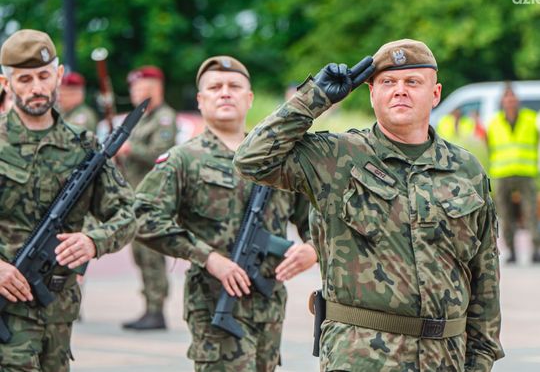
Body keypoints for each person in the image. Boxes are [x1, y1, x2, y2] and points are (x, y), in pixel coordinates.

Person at [234, 39, 504, 371]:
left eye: (413, 82)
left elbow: (485, 275)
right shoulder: (337, 157)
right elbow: (251, 160)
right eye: (388, 82)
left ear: (435, 94)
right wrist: (315, 97)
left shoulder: (465, 169)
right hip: (361, 357)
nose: (400, 90)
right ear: (372, 93)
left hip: (446, 359)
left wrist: (479, 361)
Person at [134, 55, 317, 371]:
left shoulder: (278, 159)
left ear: (249, 98)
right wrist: (207, 257)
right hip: (214, 306)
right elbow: (142, 216)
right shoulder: (183, 160)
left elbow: (313, 218)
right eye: (215, 87)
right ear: (200, 100)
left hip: (269, 307)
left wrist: (313, 249)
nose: (225, 93)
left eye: (234, 86)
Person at [0, 29, 136, 371]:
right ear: (5, 83)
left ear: (58, 75)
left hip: (58, 313)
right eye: (25, 79)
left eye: (44, 76)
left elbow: (127, 213)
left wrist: (94, 241)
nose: (36, 87)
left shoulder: (85, 147)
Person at [118, 65, 178, 330]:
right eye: (134, 89)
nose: (135, 94)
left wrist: (130, 148)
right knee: (140, 254)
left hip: (154, 198)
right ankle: (149, 306)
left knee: (151, 254)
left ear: (155, 89)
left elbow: (161, 154)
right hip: (135, 195)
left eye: (140, 89)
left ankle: (156, 309)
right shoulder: (141, 118)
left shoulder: (164, 118)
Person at [487, 83, 540, 263]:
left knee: (530, 212)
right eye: (507, 98)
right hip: (502, 174)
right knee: (505, 214)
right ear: (502, 102)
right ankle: (512, 252)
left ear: (517, 101)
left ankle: (536, 249)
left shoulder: (531, 119)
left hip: (526, 172)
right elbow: (489, 148)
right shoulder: (494, 123)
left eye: (512, 98)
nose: (510, 102)